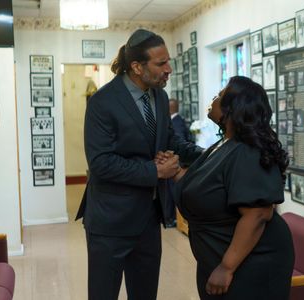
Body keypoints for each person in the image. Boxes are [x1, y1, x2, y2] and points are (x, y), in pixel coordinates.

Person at [75, 29, 202, 300]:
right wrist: (156, 171)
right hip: (110, 222)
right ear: (136, 66)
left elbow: (170, 141)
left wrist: (214, 154)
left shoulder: (159, 97)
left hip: (147, 218)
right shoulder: (102, 102)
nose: (169, 69)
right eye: (160, 64)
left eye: (169, 61)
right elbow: (101, 163)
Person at [170, 76, 294, 299]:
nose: (214, 98)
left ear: (233, 107)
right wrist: (175, 172)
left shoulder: (248, 151)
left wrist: (226, 267)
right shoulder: (223, 145)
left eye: (220, 95)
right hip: (217, 254)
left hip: (252, 262)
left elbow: (257, 214)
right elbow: (206, 188)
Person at [166, 98, 192, 227]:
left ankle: (173, 218)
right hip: (176, 162)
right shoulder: (177, 120)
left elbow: (179, 142)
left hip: (177, 162)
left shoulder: (176, 123)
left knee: (172, 190)